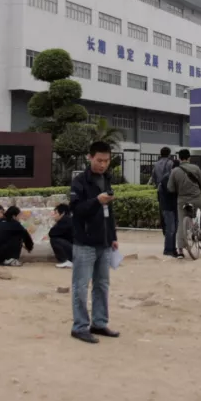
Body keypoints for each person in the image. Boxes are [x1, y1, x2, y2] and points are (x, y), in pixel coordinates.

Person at [69, 141, 120, 344]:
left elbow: (110, 212)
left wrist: (113, 237)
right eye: (99, 160)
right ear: (89, 158)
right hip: (85, 243)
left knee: (102, 285)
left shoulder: (106, 179)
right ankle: (79, 326)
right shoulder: (80, 181)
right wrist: (97, 201)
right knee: (81, 286)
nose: (103, 164)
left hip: (104, 241)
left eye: (106, 161)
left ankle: (99, 323)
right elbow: (76, 209)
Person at [166, 148, 201, 257]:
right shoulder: (195, 168)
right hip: (197, 200)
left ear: (179, 158)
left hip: (182, 201)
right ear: (189, 158)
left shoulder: (175, 171)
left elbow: (170, 188)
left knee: (180, 224)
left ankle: (180, 251)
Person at [151, 147, 178, 257]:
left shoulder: (156, 164)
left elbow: (153, 178)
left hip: (160, 191)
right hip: (170, 191)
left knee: (164, 215)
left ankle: (167, 240)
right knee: (171, 220)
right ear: (169, 154)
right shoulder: (171, 163)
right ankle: (170, 247)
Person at [50, 203, 74, 268]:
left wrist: (56, 223)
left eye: (56, 213)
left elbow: (52, 233)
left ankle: (66, 261)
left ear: (62, 213)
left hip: (77, 251)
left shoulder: (65, 220)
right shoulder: (69, 219)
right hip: (77, 250)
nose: (54, 215)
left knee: (54, 240)